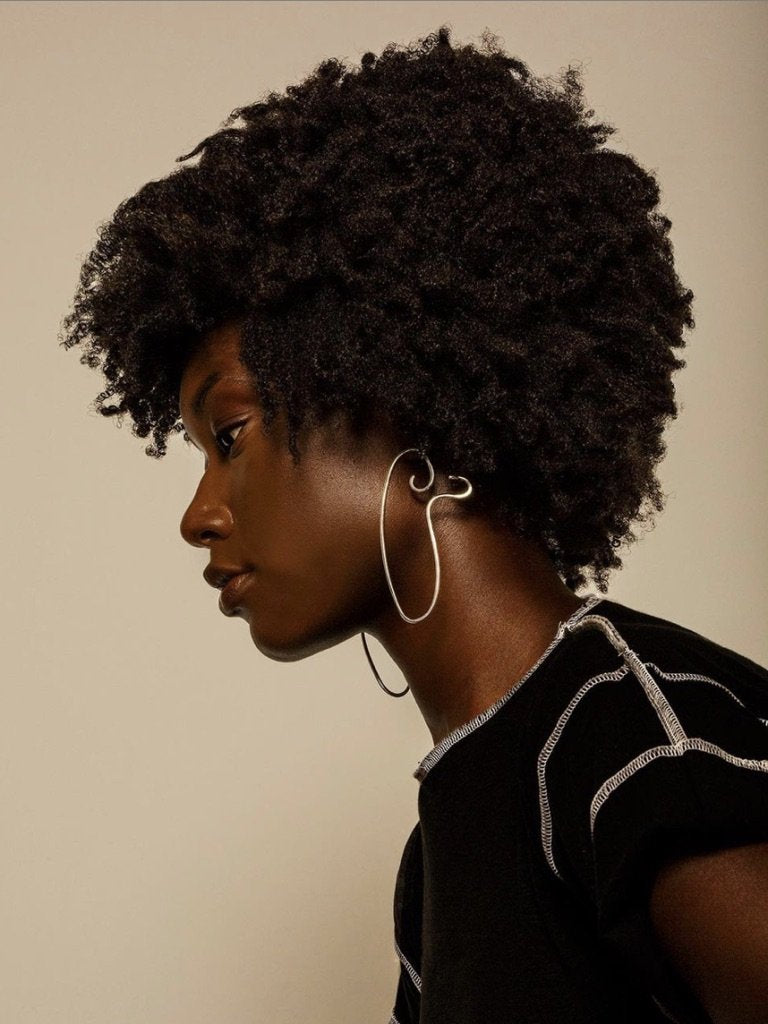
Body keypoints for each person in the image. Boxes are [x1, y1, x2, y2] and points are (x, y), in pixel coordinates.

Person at [59, 23, 768, 1024]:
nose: (199, 515)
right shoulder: (433, 866)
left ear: (397, 401)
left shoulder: (640, 736)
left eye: (229, 435)